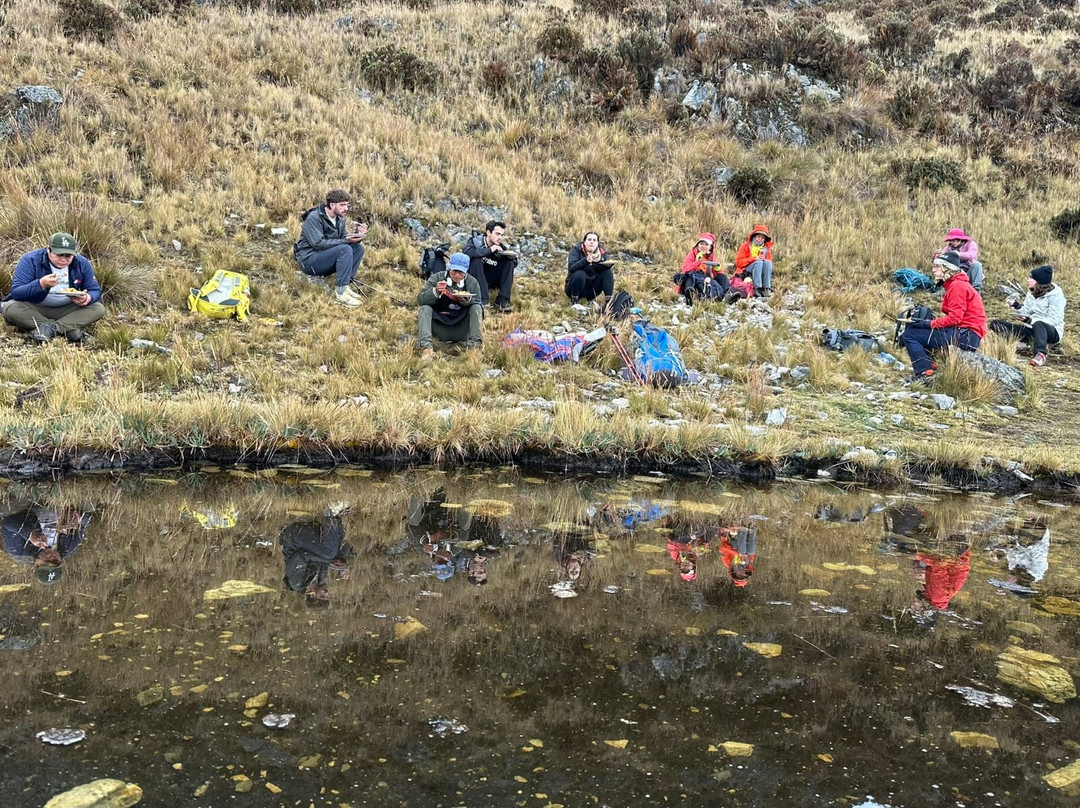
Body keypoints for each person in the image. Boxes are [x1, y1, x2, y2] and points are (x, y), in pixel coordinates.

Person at [899, 250, 986, 385]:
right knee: (919, 331)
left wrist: (928, 323)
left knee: (910, 335)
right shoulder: (957, 284)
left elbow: (955, 318)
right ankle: (930, 366)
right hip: (968, 334)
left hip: (965, 335)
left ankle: (925, 372)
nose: (933, 270)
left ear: (947, 269)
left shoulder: (957, 286)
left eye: (937, 267)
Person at [2, 232, 105, 344]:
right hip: (36, 307)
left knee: (98, 308)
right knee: (10, 307)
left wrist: (87, 298)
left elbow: (94, 290)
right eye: (59, 255)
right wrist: (40, 284)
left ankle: (50, 329)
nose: (64, 260)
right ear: (48, 250)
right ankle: (68, 329)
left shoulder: (82, 263)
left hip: (67, 309)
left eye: (68, 256)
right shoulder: (30, 260)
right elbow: (17, 292)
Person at [293, 189, 367, 308]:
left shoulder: (339, 219)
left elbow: (343, 239)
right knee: (345, 249)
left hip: (324, 259)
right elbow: (318, 244)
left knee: (358, 248)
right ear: (332, 205)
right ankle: (341, 294)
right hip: (309, 261)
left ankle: (346, 286)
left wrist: (357, 235)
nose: (346, 208)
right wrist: (346, 240)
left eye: (347, 205)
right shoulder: (314, 218)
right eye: (342, 205)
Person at [988, 265, 1065, 368]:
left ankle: (1040, 354)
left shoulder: (1056, 297)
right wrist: (1017, 306)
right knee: (996, 324)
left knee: (1039, 324)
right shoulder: (1032, 292)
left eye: (1031, 278)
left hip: (1051, 332)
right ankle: (1025, 345)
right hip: (1030, 329)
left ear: (1039, 282)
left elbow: (1054, 320)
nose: (1028, 280)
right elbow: (1027, 312)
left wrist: (1030, 320)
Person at [279, 502, 354, 606]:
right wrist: (342, 565)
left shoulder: (297, 582)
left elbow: (301, 555)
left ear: (312, 595)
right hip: (309, 542)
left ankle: (330, 512)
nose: (327, 592)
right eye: (327, 596)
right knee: (342, 553)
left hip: (293, 536)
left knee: (329, 554)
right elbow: (324, 557)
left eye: (322, 595)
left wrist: (329, 561)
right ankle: (338, 517)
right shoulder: (321, 579)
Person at [417, 252, 483, 360]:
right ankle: (427, 348)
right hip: (439, 325)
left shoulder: (472, 283)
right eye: (454, 271)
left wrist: (467, 301)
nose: (457, 275)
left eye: (461, 272)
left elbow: (479, 305)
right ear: (449, 267)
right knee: (425, 309)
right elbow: (421, 300)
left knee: (476, 308)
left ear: (466, 271)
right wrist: (436, 291)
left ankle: (475, 348)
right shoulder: (437, 277)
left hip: (461, 327)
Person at [2, 505, 89, 585]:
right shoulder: (69, 548)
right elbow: (86, 519)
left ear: (36, 564)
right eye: (55, 560)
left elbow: (6, 523)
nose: (51, 556)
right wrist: (76, 519)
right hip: (59, 505)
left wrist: (29, 533)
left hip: (27, 506)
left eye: (47, 561)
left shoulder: (19, 552)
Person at [464, 220, 517, 313]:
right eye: (497, 234)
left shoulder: (500, 247)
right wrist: (490, 250)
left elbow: (514, 264)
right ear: (488, 232)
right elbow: (467, 254)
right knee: (476, 260)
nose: (500, 237)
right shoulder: (475, 242)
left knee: (509, 263)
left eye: (502, 235)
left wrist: (511, 258)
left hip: (491, 279)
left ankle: (502, 301)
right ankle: (483, 301)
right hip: (476, 277)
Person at [674, 232, 730, 305]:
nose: (703, 246)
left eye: (706, 244)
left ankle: (727, 296)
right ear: (698, 245)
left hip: (706, 281)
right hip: (694, 281)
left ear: (710, 247)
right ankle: (690, 294)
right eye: (701, 244)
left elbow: (718, 273)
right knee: (690, 276)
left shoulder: (711, 257)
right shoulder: (692, 254)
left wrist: (718, 269)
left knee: (723, 277)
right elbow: (685, 269)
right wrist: (697, 262)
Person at [565, 231, 614, 306]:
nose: (592, 242)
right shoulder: (576, 251)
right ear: (584, 242)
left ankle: (609, 302)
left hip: (591, 290)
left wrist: (605, 266)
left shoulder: (602, 253)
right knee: (580, 274)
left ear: (597, 243)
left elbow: (600, 271)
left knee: (607, 272)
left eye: (594, 240)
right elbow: (571, 268)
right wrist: (585, 261)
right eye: (589, 239)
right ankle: (574, 300)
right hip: (573, 288)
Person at [934, 228, 983, 292]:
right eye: (951, 241)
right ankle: (940, 287)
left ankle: (976, 289)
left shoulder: (970, 244)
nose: (953, 242)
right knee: (943, 267)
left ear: (961, 239)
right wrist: (937, 256)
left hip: (969, 272)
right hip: (956, 273)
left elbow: (971, 255)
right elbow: (939, 261)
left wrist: (957, 254)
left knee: (977, 265)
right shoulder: (948, 248)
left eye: (955, 240)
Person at [734, 224, 774, 297]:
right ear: (754, 236)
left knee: (768, 263)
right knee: (759, 262)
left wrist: (763, 260)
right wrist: (754, 258)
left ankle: (766, 288)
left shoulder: (766, 249)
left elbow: (769, 264)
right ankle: (757, 288)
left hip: (760, 271)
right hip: (745, 272)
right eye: (758, 236)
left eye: (762, 237)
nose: (760, 239)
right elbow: (738, 263)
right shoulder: (745, 246)